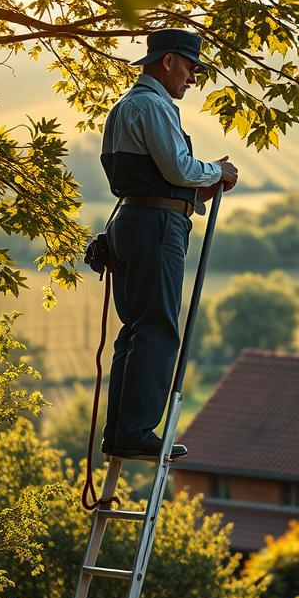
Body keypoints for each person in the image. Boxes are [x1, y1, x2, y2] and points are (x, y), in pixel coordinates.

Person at [99, 28, 238, 460]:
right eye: (191, 67)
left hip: (133, 219)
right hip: (156, 227)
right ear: (167, 62)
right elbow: (178, 168)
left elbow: (149, 178)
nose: (193, 78)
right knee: (158, 327)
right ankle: (137, 430)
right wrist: (215, 171)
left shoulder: (124, 107)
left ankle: (122, 429)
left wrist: (196, 193)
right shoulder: (153, 106)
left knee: (136, 328)